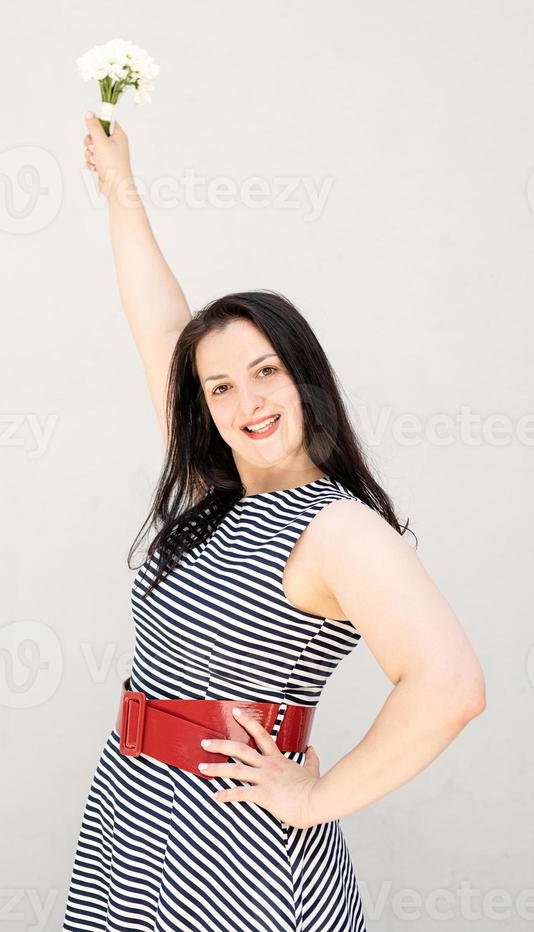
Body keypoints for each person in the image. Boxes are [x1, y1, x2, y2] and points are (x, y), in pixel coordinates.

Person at [61, 112, 486, 932]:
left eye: (265, 372)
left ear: (304, 380)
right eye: (221, 386)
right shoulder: (209, 493)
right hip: (132, 815)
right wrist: (119, 187)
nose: (246, 401)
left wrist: (318, 795)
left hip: (237, 847)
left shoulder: (339, 529)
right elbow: (160, 327)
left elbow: (452, 686)